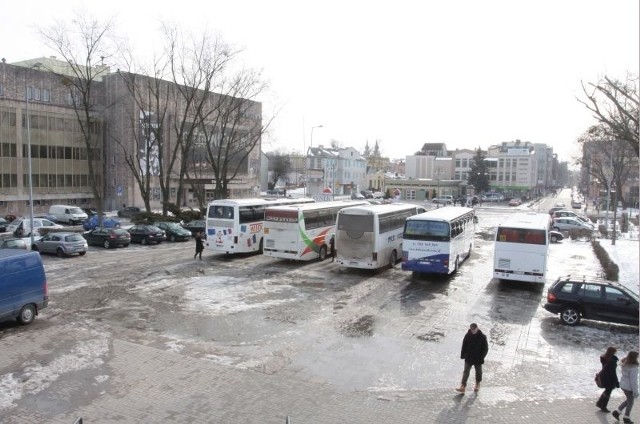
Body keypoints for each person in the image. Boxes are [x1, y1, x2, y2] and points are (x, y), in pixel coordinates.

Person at [456, 323, 489, 394]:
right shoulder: (467, 335)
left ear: (477, 328)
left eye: (474, 329)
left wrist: (482, 357)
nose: (473, 331)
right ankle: (463, 386)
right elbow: (464, 345)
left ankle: (477, 384)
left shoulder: (482, 337)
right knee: (466, 371)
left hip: (478, 358)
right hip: (469, 357)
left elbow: (485, 349)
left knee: (478, 371)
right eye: (471, 329)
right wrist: (463, 355)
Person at [612, 351, 639, 423]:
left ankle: (617, 411)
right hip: (629, 387)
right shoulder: (634, 367)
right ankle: (626, 418)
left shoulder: (625, 364)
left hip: (623, 385)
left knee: (629, 400)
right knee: (631, 402)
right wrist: (636, 392)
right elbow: (633, 381)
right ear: (635, 358)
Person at [597, 346, 620, 412]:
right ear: (613, 352)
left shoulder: (603, 357)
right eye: (615, 351)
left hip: (603, 376)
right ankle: (603, 406)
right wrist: (617, 382)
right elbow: (613, 372)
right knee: (608, 391)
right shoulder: (612, 360)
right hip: (609, 378)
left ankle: (599, 403)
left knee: (607, 390)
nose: (616, 352)